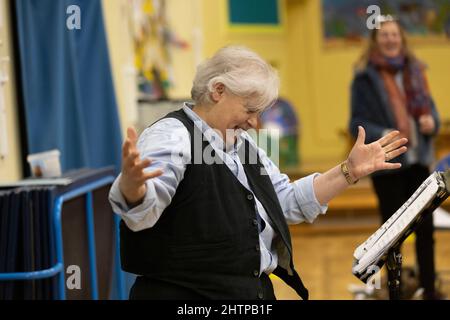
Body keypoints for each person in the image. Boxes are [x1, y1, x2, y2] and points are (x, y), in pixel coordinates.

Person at [109, 46, 407, 300]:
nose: (254, 122)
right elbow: (144, 210)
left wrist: (349, 171)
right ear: (218, 90)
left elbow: (285, 201)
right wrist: (134, 189)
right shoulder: (171, 136)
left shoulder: (242, 143)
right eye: (250, 109)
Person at [349, 16, 441, 300]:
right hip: (388, 165)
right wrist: (384, 132)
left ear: (402, 39)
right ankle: (396, 291)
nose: (390, 39)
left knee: (426, 231)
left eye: (394, 34)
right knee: (391, 235)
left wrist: (431, 123)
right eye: (384, 35)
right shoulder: (364, 77)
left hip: (419, 162)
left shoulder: (416, 71)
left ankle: (428, 289)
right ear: (376, 41)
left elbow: (433, 113)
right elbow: (355, 122)